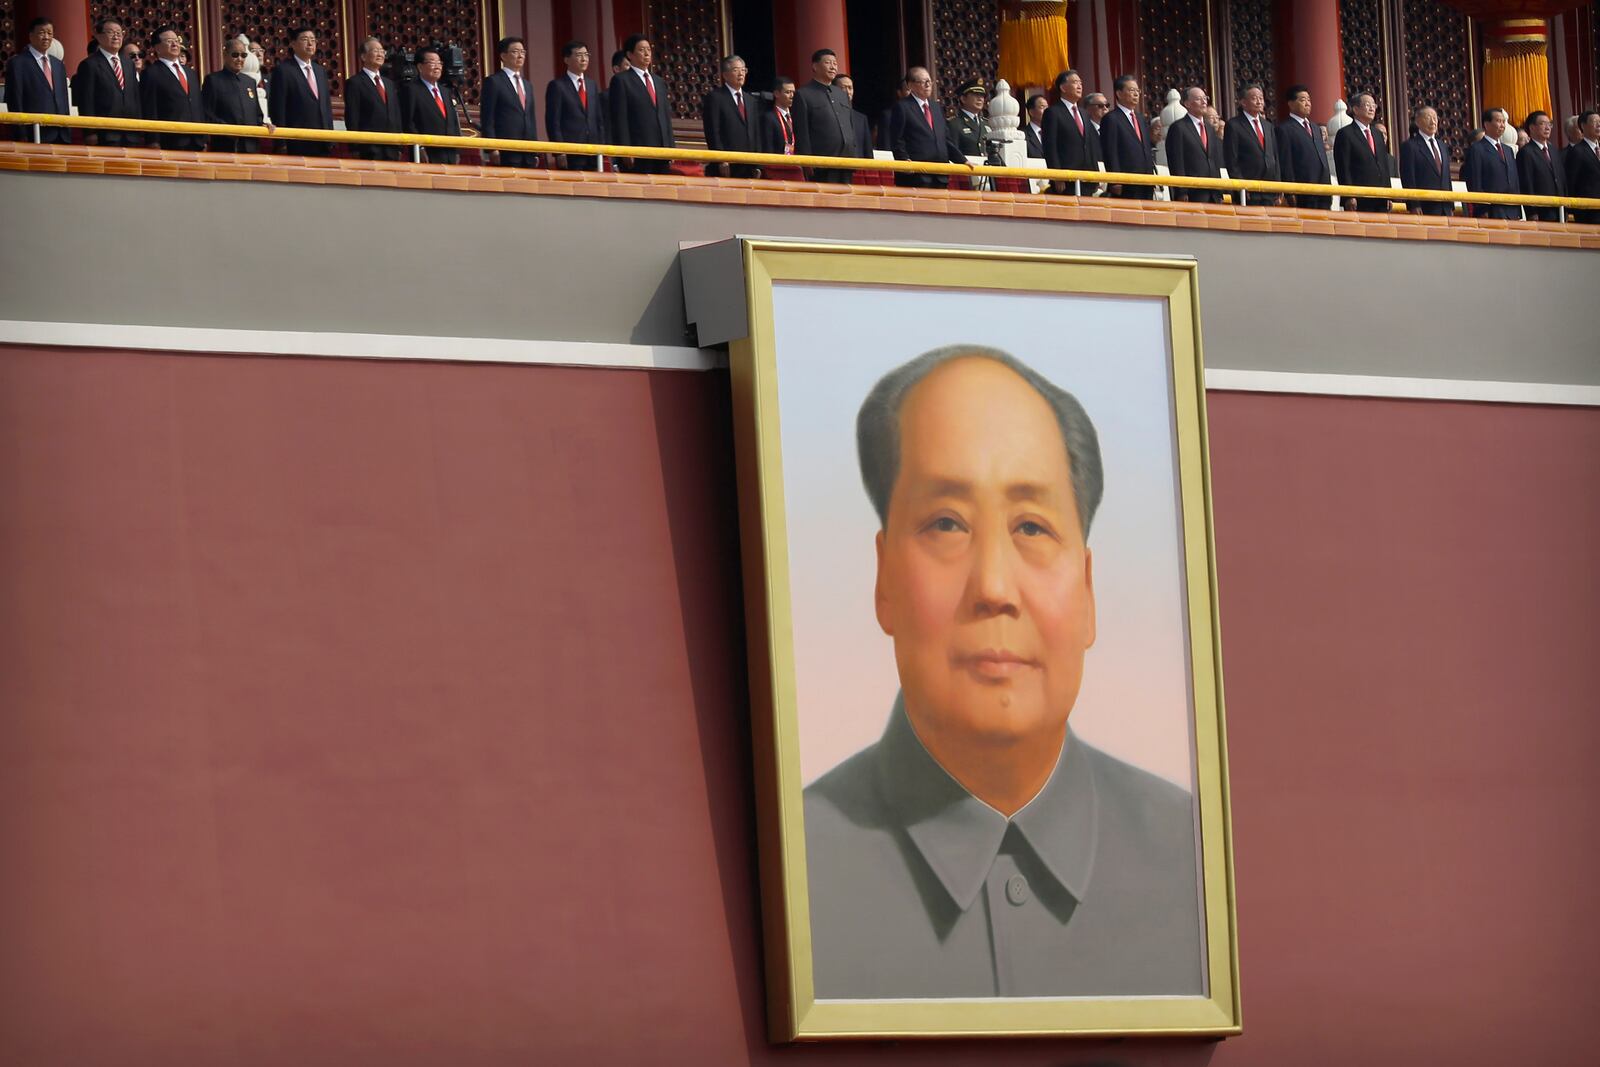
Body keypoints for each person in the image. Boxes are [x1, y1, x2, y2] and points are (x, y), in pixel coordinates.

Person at [803, 345, 1203, 1000]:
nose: (993, 586)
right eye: (947, 523)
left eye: (1032, 527)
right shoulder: (796, 867)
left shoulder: (1195, 864)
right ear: (882, 580)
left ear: (1090, 590)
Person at [887, 66, 967, 188]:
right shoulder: (902, 107)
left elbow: (945, 140)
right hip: (915, 175)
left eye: (930, 81)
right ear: (910, 85)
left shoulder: (936, 108)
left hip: (940, 174)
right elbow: (897, 139)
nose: (928, 85)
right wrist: (904, 161)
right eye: (923, 82)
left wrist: (963, 160)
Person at [607, 34, 674, 174]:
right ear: (630, 55)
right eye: (641, 50)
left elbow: (665, 117)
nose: (646, 53)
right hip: (637, 150)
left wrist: (670, 147)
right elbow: (620, 119)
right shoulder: (621, 80)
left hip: (661, 150)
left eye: (648, 49)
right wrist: (625, 150)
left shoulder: (659, 81)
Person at [74, 19, 141, 146]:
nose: (116, 36)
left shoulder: (128, 64)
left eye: (119, 33)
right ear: (98, 36)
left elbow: (135, 97)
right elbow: (86, 101)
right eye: (110, 32)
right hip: (105, 134)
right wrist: (90, 132)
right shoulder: (89, 65)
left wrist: (140, 127)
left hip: (131, 133)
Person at [267, 26, 333, 156]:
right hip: (296, 141)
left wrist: (331, 137)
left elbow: (326, 106)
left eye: (313, 40)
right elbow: (278, 108)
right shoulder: (284, 70)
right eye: (305, 39)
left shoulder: (320, 71)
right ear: (293, 44)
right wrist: (281, 142)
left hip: (322, 140)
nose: (310, 44)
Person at [794, 48, 856, 182]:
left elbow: (850, 126)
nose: (833, 67)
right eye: (828, 63)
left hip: (846, 160)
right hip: (821, 162)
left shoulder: (841, 94)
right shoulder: (804, 94)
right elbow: (801, 133)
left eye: (835, 63)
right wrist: (806, 161)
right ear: (815, 66)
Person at [5, 18, 70, 143]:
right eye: (41, 33)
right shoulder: (18, 63)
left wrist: (66, 129)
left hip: (60, 134)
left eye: (50, 33)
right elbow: (15, 99)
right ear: (31, 36)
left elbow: (64, 99)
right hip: (34, 133)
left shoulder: (58, 64)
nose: (46, 37)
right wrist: (21, 133)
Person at [140, 25, 206, 149]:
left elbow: (198, 105)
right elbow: (150, 109)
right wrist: (153, 140)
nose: (175, 44)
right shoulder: (151, 73)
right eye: (169, 41)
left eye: (176, 41)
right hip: (170, 140)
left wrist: (204, 137)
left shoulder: (190, 73)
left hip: (196, 139)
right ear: (157, 48)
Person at [202, 36, 271, 152]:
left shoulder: (250, 82)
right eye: (235, 55)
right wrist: (227, 129)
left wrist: (264, 125)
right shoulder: (213, 80)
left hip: (250, 145)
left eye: (243, 55)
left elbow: (257, 115)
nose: (240, 59)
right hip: (226, 145)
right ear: (225, 55)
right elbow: (207, 113)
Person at [480, 36, 539, 168]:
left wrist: (535, 150)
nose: (520, 56)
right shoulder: (494, 82)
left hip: (527, 151)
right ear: (503, 56)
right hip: (506, 150)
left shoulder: (527, 85)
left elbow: (530, 118)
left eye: (523, 52)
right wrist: (492, 148)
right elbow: (488, 118)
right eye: (515, 52)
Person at [546, 40, 603, 171]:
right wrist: (559, 151)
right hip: (571, 152)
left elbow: (599, 120)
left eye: (586, 55)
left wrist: (602, 146)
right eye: (579, 55)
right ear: (567, 60)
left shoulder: (591, 85)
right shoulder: (557, 86)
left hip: (593, 151)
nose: (584, 59)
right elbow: (553, 122)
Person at [342, 36, 401, 160]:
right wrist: (355, 147)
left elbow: (396, 115)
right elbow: (352, 116)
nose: (380, 54)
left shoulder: (389, 84)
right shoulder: (355, 83)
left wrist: (399, 145)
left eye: (382, 51)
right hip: (369, 148)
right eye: (375, 51)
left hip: (391, 148)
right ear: (363, 57)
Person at [1042, 69, 1100, 194]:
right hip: (1066, 179)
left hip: (1087, 177)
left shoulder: (1084, 113)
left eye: (1080, 83)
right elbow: (1050, 147)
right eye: (1075, 82)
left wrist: (1096, 175)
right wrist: (1057, 176)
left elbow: (1090, 145)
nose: (1079, 86)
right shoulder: (1053, 112)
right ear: (1063, 87)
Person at [702, 54, 761, 178]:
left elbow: (756, 133)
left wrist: (758, 163)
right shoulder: (715, 98)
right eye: (736, 70)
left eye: (743, 70)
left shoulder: (751, 100)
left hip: (749, 163)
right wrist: (721, 159)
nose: (741, 74)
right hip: (727, 164)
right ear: (725, 75)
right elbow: (713, 132)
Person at [1333, 91, 1392, 212]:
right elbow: (1343, 167)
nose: (1372, 108)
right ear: (1355, 109)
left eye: (1373, 105)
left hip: (1381, 197)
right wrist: (1349, 195)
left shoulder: (1378, 134)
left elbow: (1384, 166)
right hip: (1359, 198)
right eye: (1367, 105)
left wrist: (1389, 194)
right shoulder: (1345, 133)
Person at [404, 45, 461, 164]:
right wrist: (419, 148)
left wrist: (456, 151)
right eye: (432, 63)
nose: (437, 67)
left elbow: (453, 123)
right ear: (420, 67)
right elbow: (408, 122)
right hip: (427, 154)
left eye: (439, 63)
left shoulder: (445, 91)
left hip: (449, 153)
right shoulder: (411, 90)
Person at [1163, 86, 1221, 203]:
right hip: (1192, 192)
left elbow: (1214, 160)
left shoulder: (1209, 128)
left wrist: (1219, 190)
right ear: (1187, 104)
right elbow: (1176, 162)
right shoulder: (1179, 128)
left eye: (1205, 98)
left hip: (1213, 191)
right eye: (1199, 99)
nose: (1204, 101)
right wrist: (1182, 191)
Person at [1100, 74, 1154, 199]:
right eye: (1131, 90)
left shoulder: (1141, 119)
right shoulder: (1111, 119)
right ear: (1119, 93)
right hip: (1126, 181)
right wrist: (1115, 179)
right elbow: (1110, 152)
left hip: (1146, 180)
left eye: (1137, 91)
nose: (1136, 94)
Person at [1224, 83, 1279, 204]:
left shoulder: (1268, 126)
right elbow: (1231, 160)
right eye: (1254, 98)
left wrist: (1278, 185)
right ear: (1243, 102)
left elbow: (1275, 157)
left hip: (1269, 188)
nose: (1259, 102)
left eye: (1261, 98)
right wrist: (1241, 186)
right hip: (1247, 190)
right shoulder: (1234, 125)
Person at [1462, 107, 1520, 219]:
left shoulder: (1508, 150)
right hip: (1491, 210)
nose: (1502, 125)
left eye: (1504, 122)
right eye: (1498, 121)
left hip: (1511, 209)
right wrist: (1482, 209)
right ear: (1487, 125)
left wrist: (1517, 208)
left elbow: (1515, 181)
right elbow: (1475, 183)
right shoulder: (1477, 149)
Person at [1276, 84, 1329, 208]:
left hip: (1323, 189)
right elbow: (1286, 162)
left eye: (1309, 100)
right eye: (1303, 100)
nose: (1308, 103)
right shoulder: (1284, 129)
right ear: (1291, 104)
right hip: (1302, 189)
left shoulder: (1315, 128)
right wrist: (1290, 192)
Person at [1398, 105, 1451, 216]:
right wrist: (1414, 205)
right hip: (1424, 207)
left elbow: (1447, 177)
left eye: (1435, 118)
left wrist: (1450, 204)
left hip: (1444, 207)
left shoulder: (1442, 146)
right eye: (1428, 118)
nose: (1433, 122)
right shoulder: (1410, 146)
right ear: (1417, 122)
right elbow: (1408, 178)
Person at [1516, 111, 1565, 222]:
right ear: (1532, 127)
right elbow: (1526, 184)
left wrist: (1565, 206)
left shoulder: (1553, 150)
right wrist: (1532, 212)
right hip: (1541, 212)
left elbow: (1562, 179)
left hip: (1560, 210)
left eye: (1549, 124)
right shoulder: (1526, 152)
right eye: (1543, 123)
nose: (1548, 127)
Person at [1563, 109, 1600, 223]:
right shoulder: (1577, 151)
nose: (1598, 125)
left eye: (1599, 121)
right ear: (1583, 126)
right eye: (1594, 121)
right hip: (1588, 212)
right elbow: (1571, 182)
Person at [759, 76, 801, 174]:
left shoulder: (796, 116)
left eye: (793, 92)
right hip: (777, 168)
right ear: (776, 94)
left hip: (796, 165)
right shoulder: (768, 117)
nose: (792, 96)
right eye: (788, 92)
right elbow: (767, 147)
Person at [834, 74, 874, 159]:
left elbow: (867, 150)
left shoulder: (861, 118)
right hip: (837, 166)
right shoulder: (830, 115)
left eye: (850, 88)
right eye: (843, 88)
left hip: (859, 167)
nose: (848, 91)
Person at [951, 80, 990, 159]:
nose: (980, 99)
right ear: (963, 99)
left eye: (982, 95)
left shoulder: (987, 123)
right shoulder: (954, 124)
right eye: (975, 95)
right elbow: (953, 152)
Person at [877, 75, 912, 151]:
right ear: (899, 93)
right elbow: (885, 144)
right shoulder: (889, 115)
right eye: (908, 90)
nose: (912, 94)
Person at [1023, 94, 1046, 159]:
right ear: (1031, 112)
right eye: (1042, 107)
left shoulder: (1053, 133)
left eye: (1047, 107)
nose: (1047, 111)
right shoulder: (1023, 135)